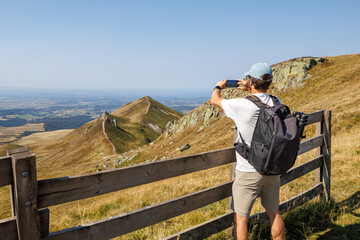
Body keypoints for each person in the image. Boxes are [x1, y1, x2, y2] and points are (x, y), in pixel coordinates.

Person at [210, 63, 285, 240]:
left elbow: (215, 100)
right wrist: (250, 87)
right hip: (272, 167)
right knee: (274, 213)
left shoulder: (241, 105)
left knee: (242, 219)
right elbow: (260, 100)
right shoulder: (277, 102)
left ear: (251, 81)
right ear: (269, 82)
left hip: (248, 170)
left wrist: (218, 87)